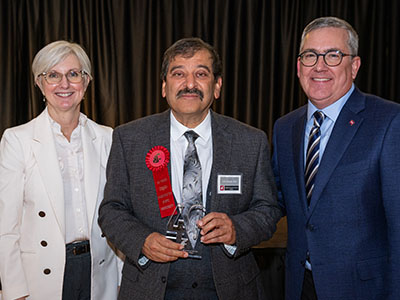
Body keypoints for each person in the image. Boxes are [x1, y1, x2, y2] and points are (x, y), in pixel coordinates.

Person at [98, 37, 281, 300]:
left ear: (217, 86)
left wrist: (236, 229)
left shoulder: (250, 141)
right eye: (178, 74)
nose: (190, 84)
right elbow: (111, 210)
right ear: (164, 86)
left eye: (201, 74)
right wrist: (142, 241)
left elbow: (268, 209)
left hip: (230, 289)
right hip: (150, 289)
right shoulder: (130, 139)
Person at [272, 16, 400, 300]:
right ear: (298, 66)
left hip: (362, 289)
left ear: (354, 66)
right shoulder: (284, 128)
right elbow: (275, 201)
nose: (319, 65)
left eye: (333, 55)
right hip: (299, 286)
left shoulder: (389, 121)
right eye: (310, 55)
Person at [0, 40, 122, 300]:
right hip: (41, 277)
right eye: (53, 75)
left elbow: (120, 214)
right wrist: (14, 291)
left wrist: (121, 277)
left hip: (99, 272)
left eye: (73, 74)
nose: (64, 84)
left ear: (86, 82)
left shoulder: (107, 138)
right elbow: (6, 226)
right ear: (39, 83)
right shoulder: (17, 140)